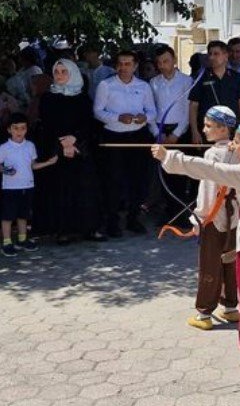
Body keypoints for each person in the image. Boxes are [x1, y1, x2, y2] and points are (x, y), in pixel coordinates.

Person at [153, 119, 240, 369]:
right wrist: (235, 151)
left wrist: (168, 157)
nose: (232, 147)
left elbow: (210, 170)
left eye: (236, 142)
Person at [37, 59, 105, 243]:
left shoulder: (82, 98)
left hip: (80, 150)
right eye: (56, 72)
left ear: (72, 74)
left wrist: (74, 140)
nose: (59, 75)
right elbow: (47, 124)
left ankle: (90, 229)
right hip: (57, 151)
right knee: (61, 190)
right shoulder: (48, 98)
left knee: (86, 189)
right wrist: (62, 145)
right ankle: (63, 230)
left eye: (63, 72)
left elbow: (88, 124)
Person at [186, 106, 240, 331]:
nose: (204, 129)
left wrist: (198, 219)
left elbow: (207, 191)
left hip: (214, 217)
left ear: (222, 129)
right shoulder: (239, 150)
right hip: (235, 216)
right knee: (230, 260)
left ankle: (204, 313)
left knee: (210, 263)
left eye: (209, 126)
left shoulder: (211, 154)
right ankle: (230, 308)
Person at [93, 50, 157, 237]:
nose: (124, 68)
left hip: (138, 137)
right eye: (120, 64)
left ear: (135, 66)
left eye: (128, 64)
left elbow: (152, 111)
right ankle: (112, 221)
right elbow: (98, 111)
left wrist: (144, 118)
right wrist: (118, 118)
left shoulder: (143, 86)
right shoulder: (106, 85)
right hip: (113, 137)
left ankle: (133, 218)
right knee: (113, 180)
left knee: (138, 180)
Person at [147, 45, 194, 222]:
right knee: (162, 174)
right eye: (159, 62)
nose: (162, 65)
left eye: (166, 61)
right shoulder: (154, 83)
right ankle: (165, 212)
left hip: (179, 130)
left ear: (174, 60)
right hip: (160, 130)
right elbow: (150, 110)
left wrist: (176, 133)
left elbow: (187, 111)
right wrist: (156, 133)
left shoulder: (186, 81)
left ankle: (180, 213)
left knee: (179, 173)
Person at [0, 113, 58, 256]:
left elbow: (33, 165)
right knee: (7, 216)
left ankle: (22, 239)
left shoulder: (30, 146)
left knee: (23, 215)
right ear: (9, 130)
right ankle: (7, 242)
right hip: (10, 188)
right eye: (16, 128)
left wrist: (48, 163)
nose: (19, 132)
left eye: (23, 128)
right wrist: (6, 170)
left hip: (27, 186)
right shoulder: (4, 147)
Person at [189, 41, 240, 145]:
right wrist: (194, 131)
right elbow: (193, 105)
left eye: (216, 54)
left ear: (225, 56)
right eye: (210, 54)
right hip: (208, 131)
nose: (212, 57)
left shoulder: (237, 77)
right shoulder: (201, 77)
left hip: (230, 130)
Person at [6, 47, 43, 112]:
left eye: (21, 58)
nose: (19, 60)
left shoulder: (35, 70)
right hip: (18, 99)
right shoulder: (23, 69)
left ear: (27, 59)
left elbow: (34, 93)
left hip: (27, 104)